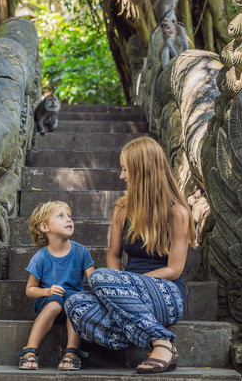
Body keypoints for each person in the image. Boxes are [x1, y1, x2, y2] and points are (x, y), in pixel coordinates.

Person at [65, 136, 196, 374]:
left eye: (126, 169)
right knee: (74, 304)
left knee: (99, 277)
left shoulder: (177, 212)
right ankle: (152, 338)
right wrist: (118, 287)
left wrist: (125, 285)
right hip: (125, 295)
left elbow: (175, 269)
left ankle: (162, 342)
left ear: (143, 171)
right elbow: (113, 256)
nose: (121, 176)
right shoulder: (122, 208)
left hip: (166, 293)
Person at [15, 201, 95, 370]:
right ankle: (30, 349)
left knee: (76, 302)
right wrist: (47, 291)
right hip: (49, 302)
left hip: (74, 304)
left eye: (70, 217)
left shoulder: (82, 252)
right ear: (45, 227)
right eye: (61, 216)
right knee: (55, 303)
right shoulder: (41, 256)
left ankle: (71, 352)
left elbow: (94, 281)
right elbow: (30, 290)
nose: (69, 220)